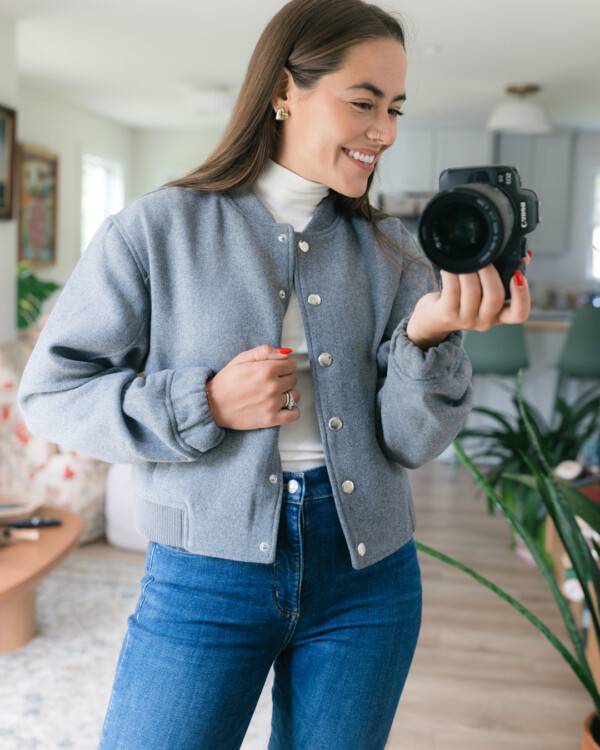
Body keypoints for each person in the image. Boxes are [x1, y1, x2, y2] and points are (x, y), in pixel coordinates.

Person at [17, 0, 531, 748]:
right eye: (363, 102)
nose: (384, 131)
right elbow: (51, 396)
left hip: (370, 577)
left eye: (395, 108)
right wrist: (205, 403)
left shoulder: (397, 252)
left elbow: (413, 442)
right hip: (204, 578)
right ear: (284, 90)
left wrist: (426, 337)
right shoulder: (156, 230)